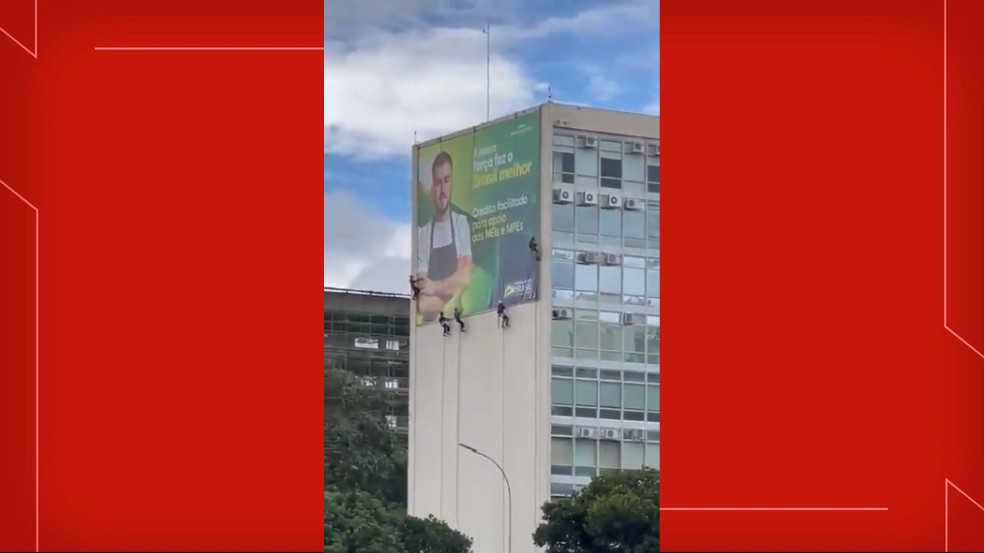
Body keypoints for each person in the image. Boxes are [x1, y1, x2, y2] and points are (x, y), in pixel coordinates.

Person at [416, 152, 473, 321]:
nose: (442, 190)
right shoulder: (423, 234)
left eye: (446, 181)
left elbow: (465, 277)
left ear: (452, 182)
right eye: (437, 183)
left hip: (460, 325)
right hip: (432, 329)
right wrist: (453, 291)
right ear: (432, 187)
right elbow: (423, 303)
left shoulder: (461, 223)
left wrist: (434, 287)